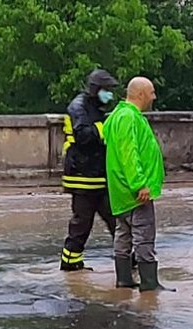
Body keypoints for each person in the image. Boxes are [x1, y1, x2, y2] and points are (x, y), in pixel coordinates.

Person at [105, 77, 172, 292]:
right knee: (143, 236)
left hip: (121, 192)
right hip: (135, 192)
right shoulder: (128, 117)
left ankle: (124, 278)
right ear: (141, 94)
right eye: (151, 92)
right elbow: (129, 154)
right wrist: (140, 184)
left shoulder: (120, 115)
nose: (154, 97)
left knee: (123, 234)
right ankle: (149, 283)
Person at [59, 69, 120, 271]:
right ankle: (69, 262)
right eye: (107, 90)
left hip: (98, 174)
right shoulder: (78, 107)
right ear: (96, 89)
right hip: (82, 175)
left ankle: (129, 259)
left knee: (116, 219)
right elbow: (83, 135)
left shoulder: (95, 107)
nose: (110, 95)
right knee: (82, 223)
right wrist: (107, 128)